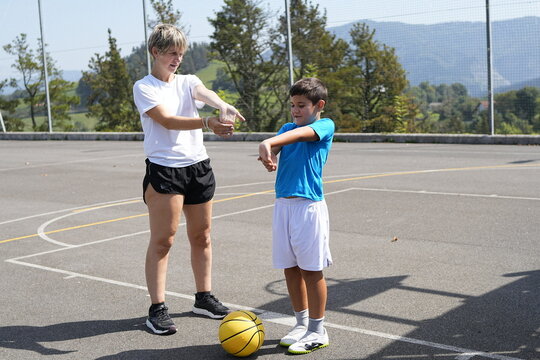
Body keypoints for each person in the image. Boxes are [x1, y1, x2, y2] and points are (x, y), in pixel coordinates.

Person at [133, 24, 244, 335]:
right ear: (155, 51)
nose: (177, 59)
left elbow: (202, 92)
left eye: (181, 54)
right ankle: (157, 309)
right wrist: (208, 121)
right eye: (171, 53)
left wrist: (221, 105)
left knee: (202, 236)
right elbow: (167, 121)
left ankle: (203, 298)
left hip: (197, 167)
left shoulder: (187, 81)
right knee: (164, 240)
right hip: (165, 169)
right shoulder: (144, 87)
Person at [258, 77, 334, 354]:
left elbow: (299, 136)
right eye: (292, 105)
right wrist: (269, 155)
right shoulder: (287, 128)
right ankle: (301, 323)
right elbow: (278, 145)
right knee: (290, 268)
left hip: (308, 208)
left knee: (311, 270)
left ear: (319, 105)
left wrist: (270, 142)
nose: (295, 110)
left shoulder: (324, 126)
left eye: (301, 105)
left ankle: (318, 329)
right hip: (284, 206)